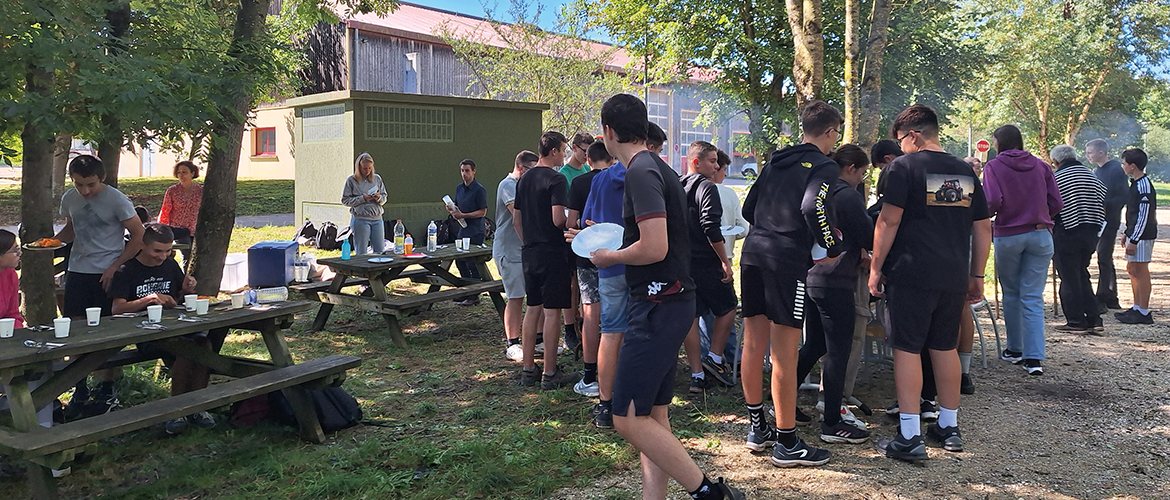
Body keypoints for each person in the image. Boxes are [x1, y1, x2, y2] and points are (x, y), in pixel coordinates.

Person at [587, 92, 744, 500]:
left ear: (607, 132)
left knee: (625, 418)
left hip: (658, 304)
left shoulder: (640, 172)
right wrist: (605, 241)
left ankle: (709, 492)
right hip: (670, 302)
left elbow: (654, 247)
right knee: (654, 414)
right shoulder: (655, 165)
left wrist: (609, 257)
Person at [869, 104, 991, 461]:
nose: (902, 147)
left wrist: (876, 269)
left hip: (911, 272)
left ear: (914, 136)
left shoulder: (902, 168)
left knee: (906, 347)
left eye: (901, 140)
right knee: (943, 346)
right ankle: (948, 426)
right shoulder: (965, 172)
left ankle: (909, 435)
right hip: (953, 273)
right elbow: (983, 227)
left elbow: (887, 222)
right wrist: (977, 274)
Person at [739, 101, 844, 467]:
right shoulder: (824, 164)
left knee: (753, 343)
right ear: (831, 131)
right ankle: (787, 441)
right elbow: (812, 206)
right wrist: (831, 244)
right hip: (785, 261)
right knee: (783, 351)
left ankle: (758, 428)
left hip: (753, 253)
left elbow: (748, 209)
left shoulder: (774, 161)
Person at [794, 144, 873, 444]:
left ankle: (783, 403)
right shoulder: (847, 196)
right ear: (851, 168)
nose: (861, 179)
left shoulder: (815, 191)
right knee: (838, 350)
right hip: (837, 280)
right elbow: (869, 235)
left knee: (813, 344)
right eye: (862, 173)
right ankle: (832, 422)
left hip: (811, 276)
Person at [108, 224, 218, 435]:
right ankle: (176, 410)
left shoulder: (170, 265)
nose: (162, 256)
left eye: (168, 251)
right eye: (157, 251)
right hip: (146, 333)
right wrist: (148, 299)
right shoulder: (127, 271)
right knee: (186, 348)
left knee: (204, 343)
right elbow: (117, 308)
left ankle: (197, 406)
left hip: (175, 326)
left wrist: (186, 289)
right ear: (143, 245)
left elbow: (175, 299)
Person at [55, 154, 145, 409]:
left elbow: (139, 236)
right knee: (76, 328)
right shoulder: (69, 198)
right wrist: (50, 244)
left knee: (106, 331)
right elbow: (72, 229)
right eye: (78, 184)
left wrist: (115, 266)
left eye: (90, 185)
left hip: (108, 271)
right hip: (78, 270)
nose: (84, 190)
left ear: (102, 178)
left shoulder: (116, 200)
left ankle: (106, 388)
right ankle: (79, 387)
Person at [982, 124, 1062, 375]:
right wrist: (1041, 216)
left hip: (1009, 235)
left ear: (999, 142)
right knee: (1033, 296)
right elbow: (1056, 202)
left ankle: (1015, 348)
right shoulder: (1041, 166)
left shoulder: (993, 166)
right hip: (1040, 234)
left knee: (1012, 292)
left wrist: (990, 217)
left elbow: (992, 201)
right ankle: (1034, 357)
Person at [514, 131, 578, 389]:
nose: (564, 155)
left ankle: (528, 368)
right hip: (553, 252)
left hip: (529, 251)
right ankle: (550, 372)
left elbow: (517, 220)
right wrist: (571, 223)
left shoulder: (524, 178)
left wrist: (528, 240)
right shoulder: (557, 178)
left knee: (532, 308)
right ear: (553, 151)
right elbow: (557, 219)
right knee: (552, 313)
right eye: (563, 150)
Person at [678, 141, 737, 394]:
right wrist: (724, 260)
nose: (716, 166)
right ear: (695, 162)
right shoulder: (707, 187)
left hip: (683, 262)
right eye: (712, 161)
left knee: (691, 316)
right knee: (729, 306)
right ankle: (713, 358)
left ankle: (696, 375)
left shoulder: (678, 186)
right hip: (706, 261)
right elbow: (711, 227)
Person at [580, 141, 627, 429]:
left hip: (609, 265)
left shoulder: (601, 180)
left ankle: (605, 406)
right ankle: (635, 399)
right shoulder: (648, 173)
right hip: (641, 265)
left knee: (610, 332)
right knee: (639, 333)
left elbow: (588, 221)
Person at [567, 141, 614, 398]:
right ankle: (615, 370)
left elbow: (571, 221)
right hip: (617, 254)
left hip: (587, 255)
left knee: (590, 313)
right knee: (616, 312)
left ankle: (589, 374)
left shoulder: (580, 182)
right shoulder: (621, 179)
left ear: (588, 158)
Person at [697, 151, 747, 378]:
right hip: (720, 258)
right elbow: (743, 227)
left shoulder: (688, 188)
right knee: (725, 309)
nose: (725, 174)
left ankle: (700, 365)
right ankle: (729, 358)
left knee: (700, 316)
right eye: (723, 169)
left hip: (694, 261)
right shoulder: (726, 194)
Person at [1049, 145, 1107, 333]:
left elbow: (1052, 205)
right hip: (1092, 231)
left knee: (1069, 277)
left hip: (1068, 230)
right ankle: (1094, 319)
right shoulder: (1091, 175)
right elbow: (1103, 198)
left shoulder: (1058, 178)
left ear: (1056, 161)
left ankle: (1076, 321)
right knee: (1082, 273)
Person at [495, 151, 538, 362]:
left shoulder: (526, 184)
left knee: (533, 295)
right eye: (532, 170)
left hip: (526, 249)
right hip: (509, 249)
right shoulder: (508, 185)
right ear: (521, 168)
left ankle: (536, 340)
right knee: (515, 296)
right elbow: (519, 214)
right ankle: (512, 342)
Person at [1115, 148, 1157, 324]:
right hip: (1135, 234)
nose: (1122, 166)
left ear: (1133, 166)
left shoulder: (1144, 186)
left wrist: (1135, 239)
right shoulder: (1136, 183)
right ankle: (1137, 306)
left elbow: (1144, 215)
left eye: (1124, 163)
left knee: (1140, 270)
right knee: (1132, 269)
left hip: (1143, 236)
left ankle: (1144, 310)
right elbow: (1132, 213)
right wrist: (1127, 232)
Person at [1086, 139, 1129, 311]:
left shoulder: (1115, 169)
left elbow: (1123, 196)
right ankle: (1110, 295)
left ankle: (1104, 296)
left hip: (1109, 220)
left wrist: (1106, 206)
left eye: (1090, 152)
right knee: (1103, 256)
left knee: (1104, 255)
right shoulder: (1098, 170)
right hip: (1097, 220)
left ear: (1101, 152)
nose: (1087, 155)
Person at [452, 159, 489, 298]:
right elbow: (456, 205)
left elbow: (482, 211)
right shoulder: (459, 188)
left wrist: (464, 214)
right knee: (460, 261)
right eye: (462, 170)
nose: (464, 174)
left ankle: (474, 293)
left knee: (472, 262)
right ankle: (467, 290)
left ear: (474, 171)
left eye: (467, 170)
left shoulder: (479, 189)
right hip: (463, 227)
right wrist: (452, 209)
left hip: (476, 229)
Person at [341, 152, 387, 254]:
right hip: (361, 219)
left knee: (379, 251)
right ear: (359, 167)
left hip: (377, 218)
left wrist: (378, 198)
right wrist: (362, 198)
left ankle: (378, 270)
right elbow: (345, 200)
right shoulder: (351, 180)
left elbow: (384, 198)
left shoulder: (377, 179)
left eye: (370, 168)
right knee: (361, 251)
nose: (367, 171)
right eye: (364, 168)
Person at [158, 161, 203, 236]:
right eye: (179, 172)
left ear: (192, 173)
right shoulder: (172, 190)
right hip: (178, 230)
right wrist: (162, 229)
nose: (181, 175)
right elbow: (165, 210)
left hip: (196, 230)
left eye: (184, 172)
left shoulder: (200, 190)